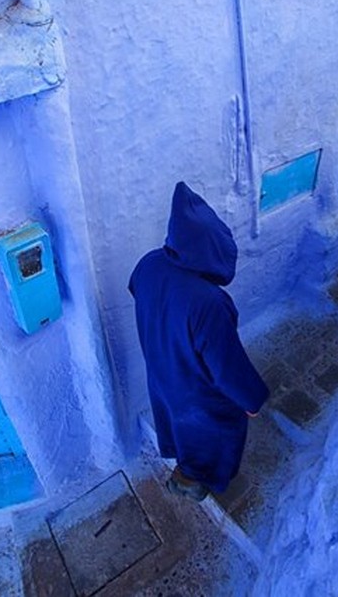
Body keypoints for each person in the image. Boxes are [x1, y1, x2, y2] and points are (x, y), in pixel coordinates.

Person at [129, 182, 269, 501]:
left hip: (162, 371)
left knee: (177, 422)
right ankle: (194, 480)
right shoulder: (208, 302)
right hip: (196, 387)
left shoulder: (149, 263)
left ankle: (184, 469)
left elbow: (137, 290)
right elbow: (225, 365)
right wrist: (250, 400)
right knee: (212, 432)